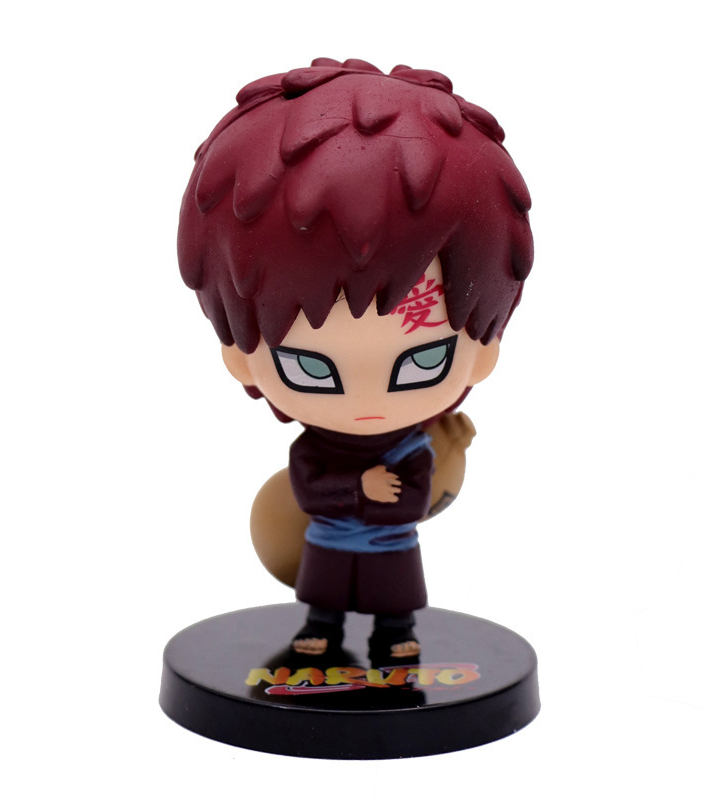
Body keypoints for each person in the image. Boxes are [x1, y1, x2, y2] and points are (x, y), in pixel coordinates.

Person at [177, 58, 534, 659]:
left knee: (395, 598)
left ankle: (396, 633)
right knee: (325, 594)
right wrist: (359, 486)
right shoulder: (319, 452)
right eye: (309, 366)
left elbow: (416, 500)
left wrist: (372, 490)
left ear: (482, 351)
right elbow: (308, 488)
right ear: (241, 356)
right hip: (328, 546)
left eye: (422, 361)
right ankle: (321, 628)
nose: (368, 400)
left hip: (392, 550)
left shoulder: (413, 450)